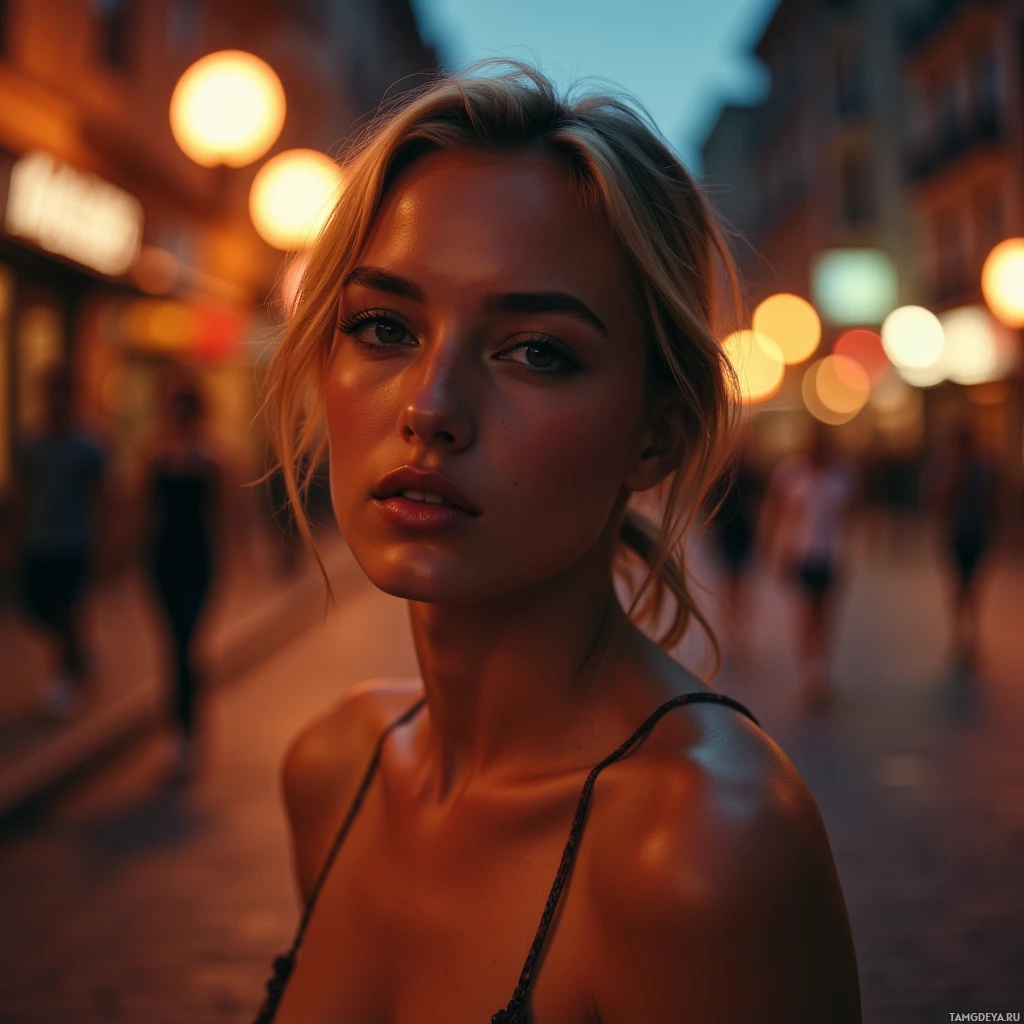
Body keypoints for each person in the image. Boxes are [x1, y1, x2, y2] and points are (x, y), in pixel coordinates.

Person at [254, 60, 861, 1023]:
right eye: (382, 327)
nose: (432, 406)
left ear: (655, 433)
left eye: (537, 350)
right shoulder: (334, 771)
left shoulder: (705, 849)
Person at [141, 371, 224, 781]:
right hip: (162, 558)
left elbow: (227, 514)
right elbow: (142, 508)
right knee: (171, 642)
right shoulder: (155, 453)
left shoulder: (212, 457)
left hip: (199, 558)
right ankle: (178, 732)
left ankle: (185, 732)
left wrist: (245, 558)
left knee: (186, 643)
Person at [13, 364, 105, 721]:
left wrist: (107, 541)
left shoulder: (87, 446)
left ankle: (62, 679)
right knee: (37, 609)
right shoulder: (32, 444)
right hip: (39, 541)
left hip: (74, 541)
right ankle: (80, 651)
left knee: (67, 609)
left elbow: (102, 495)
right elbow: (23, 492)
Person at [760, 422, 857, 710]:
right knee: (805, 611)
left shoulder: (843, 476)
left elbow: (852, 514)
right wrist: (773, 549)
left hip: (832, 553)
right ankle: (810, 672)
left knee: (825, 611)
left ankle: (821, 668)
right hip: (801, 553)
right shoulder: (790, 474)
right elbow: (776, 511)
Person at [935, 425, 998, 670]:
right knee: (959, 585)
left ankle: (971, 635)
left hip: (978, 533)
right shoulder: (947, 466)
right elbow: (938, 500)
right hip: (956, 534)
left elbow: (993, 502)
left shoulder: (984, 468)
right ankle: (959, 635)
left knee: (973, 586)